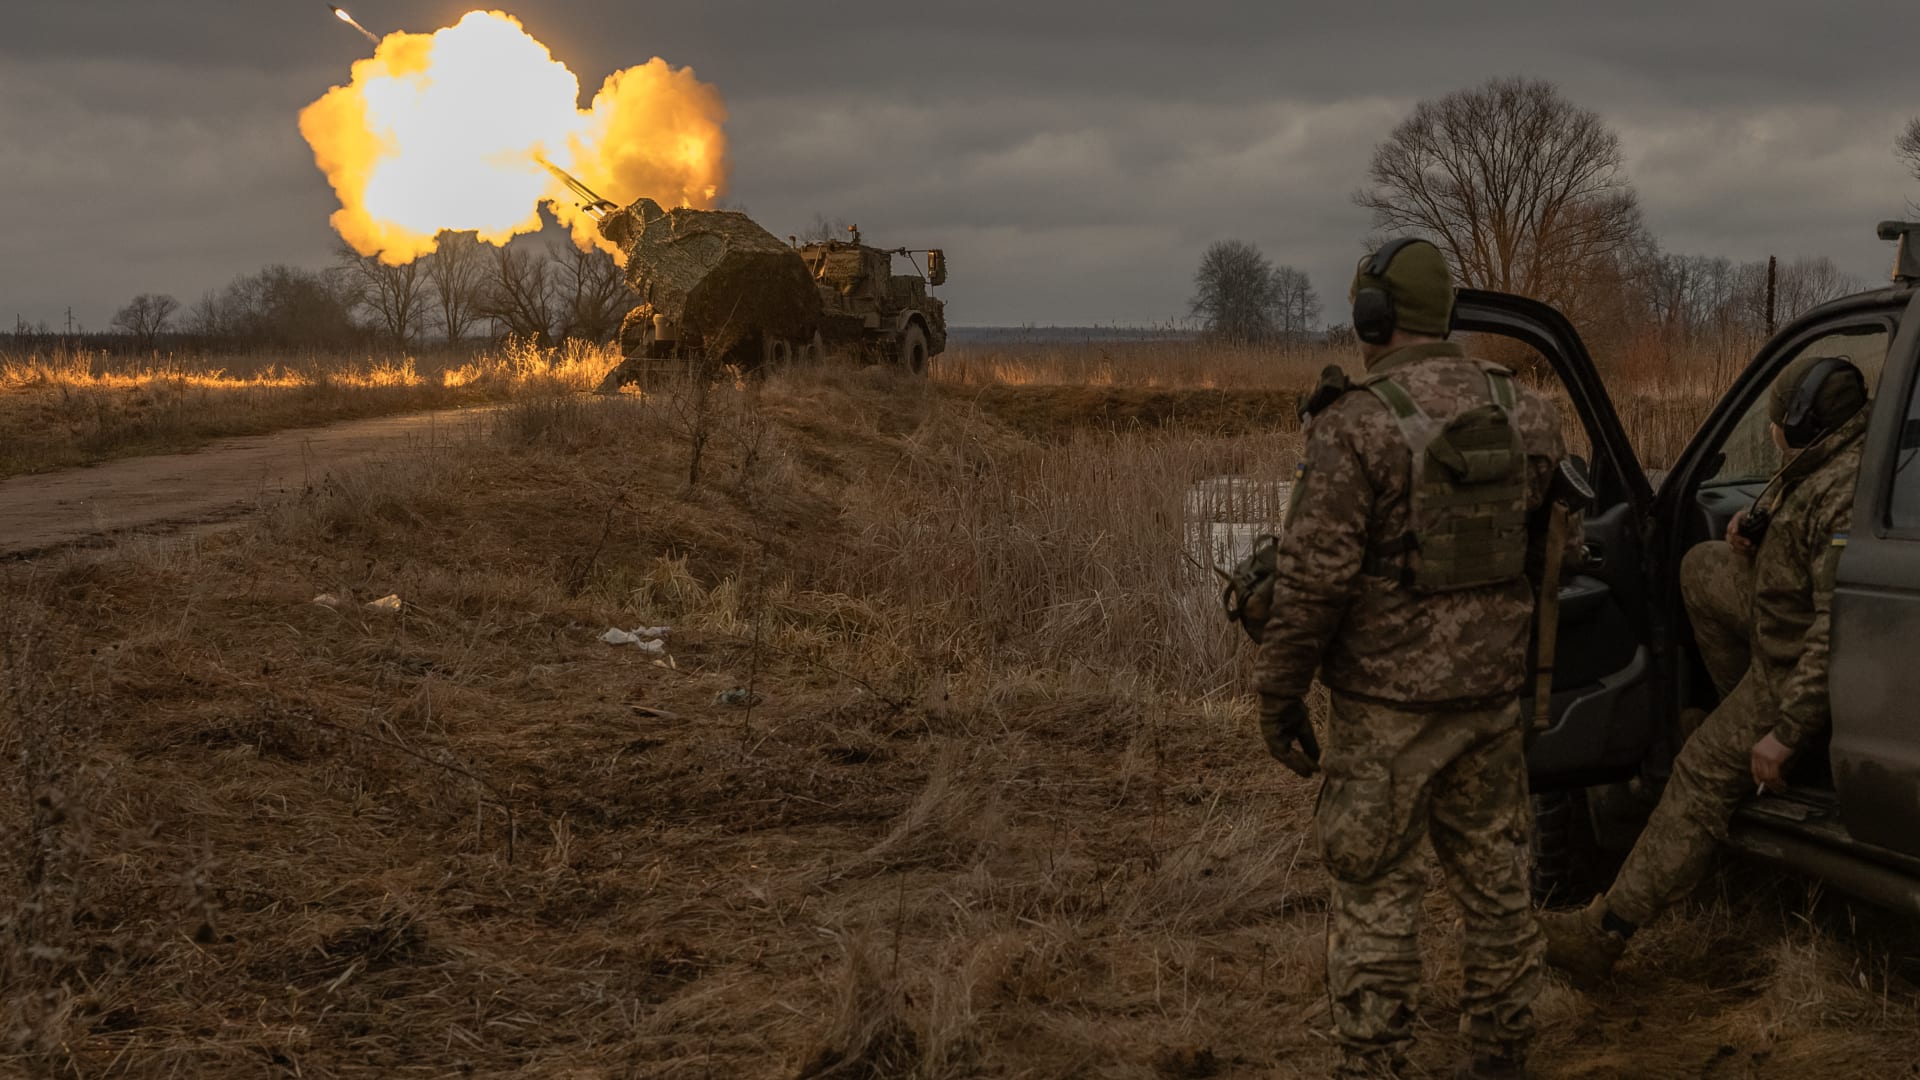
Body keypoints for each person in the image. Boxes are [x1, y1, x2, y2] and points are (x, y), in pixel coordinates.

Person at [1254, 238, 1574, 1079]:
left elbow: (1312, 583)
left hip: (1385, 711)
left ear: (1372, 316)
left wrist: (1277, 697)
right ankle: (1502, 1055)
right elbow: (1548, 555)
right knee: (1497, 885)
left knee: (1377, 890)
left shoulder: (1354, 422)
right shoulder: (1532, 415)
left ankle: (1376, 1065)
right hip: (1491, 702)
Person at [1539, 355, 1870, 979]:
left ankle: (1603, 933)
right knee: (1700, 567)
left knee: (1696, 771)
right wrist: (1752, 530)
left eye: (1777, 420)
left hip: (1795, 668)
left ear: (1799, 423)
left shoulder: (1843, 498)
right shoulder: (1833, 458)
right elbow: (1796, 540)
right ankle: (1736, 717)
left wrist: (1786, 730)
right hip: (1780, 622)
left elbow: (1835, 629)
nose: (1773, 430)